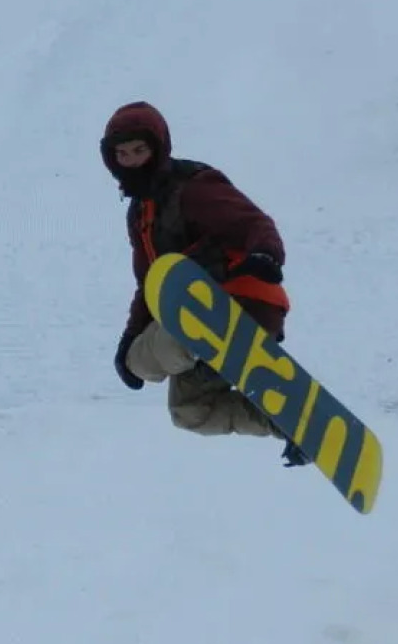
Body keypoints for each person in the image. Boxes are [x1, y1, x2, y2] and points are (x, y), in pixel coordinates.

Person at [99, 100, 308, 465]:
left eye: (139, 150)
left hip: (241, 298)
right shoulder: (141, 214)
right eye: (123, 153)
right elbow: (149, 285)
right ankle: (291, 425)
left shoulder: (192, 187)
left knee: (156, 352)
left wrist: (266, 256)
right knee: (189, 411)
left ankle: (200, 335)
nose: (132, 160)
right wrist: (128, 339)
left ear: (158, 148)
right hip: (202, 319)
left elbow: (255, 223)